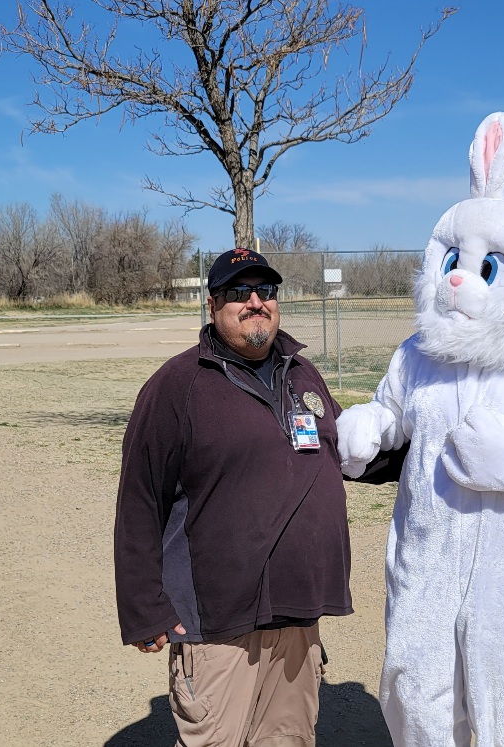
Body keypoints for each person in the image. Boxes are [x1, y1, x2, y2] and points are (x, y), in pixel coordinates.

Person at [114, 248, 353, 747]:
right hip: (217, 623)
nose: (254, 302)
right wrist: (144, 607)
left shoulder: (302, 374)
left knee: (289, 740)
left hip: (298, 612)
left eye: (265, 290)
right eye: (237, 292)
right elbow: (139, 499)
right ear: (212, 304)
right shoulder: (177, 386)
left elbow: (345, 451)